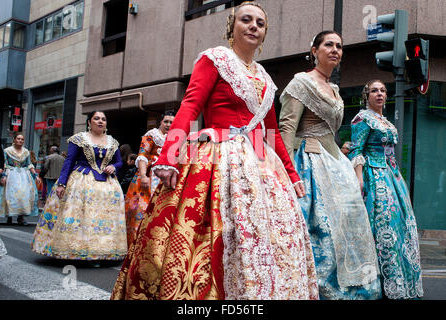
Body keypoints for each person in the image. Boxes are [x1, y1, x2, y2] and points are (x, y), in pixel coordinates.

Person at [111, 1, 318, 300]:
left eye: (260, 23)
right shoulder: (215, 59)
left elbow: (270, 135)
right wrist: (169, 155)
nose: (253, 26)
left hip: (259, 161)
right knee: (206, 236)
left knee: (266, 236)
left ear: (264, 34)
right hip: (215, 154)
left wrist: (291, 174)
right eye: (246, 20)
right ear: (232, 26)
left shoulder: (265, 79)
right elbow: (191, 105)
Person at [278, 31, 382, 300]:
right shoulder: (301, 82)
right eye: (328, 45)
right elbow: (287, 128)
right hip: (309, 163)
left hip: (336, 163)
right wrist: (285, 172)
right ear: (315, 50)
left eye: (339, 46)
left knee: (347, 228)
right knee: (320, 229)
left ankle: (348, 288)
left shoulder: (334, 89)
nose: (335, 49)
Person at [349, 80, 423, 299]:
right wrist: (360, 180)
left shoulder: (386, 122)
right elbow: (356, 151)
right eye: (374, 91)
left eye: (382, 90)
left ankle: (400, 281)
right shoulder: (363, 119)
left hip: (393, 177)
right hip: (375, 177)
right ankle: (377, 283)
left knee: (401, 226)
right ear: (367, 95)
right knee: (383, 226)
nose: (379, 94)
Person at [31, 111, 127, 266]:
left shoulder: (112, 142)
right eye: (96, 118)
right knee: (83, 216)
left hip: (108, 187)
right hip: (81, 182)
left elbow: (119, 162)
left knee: (103, 218)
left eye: (103, 119)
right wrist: (62, 183)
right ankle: (77, 250)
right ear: (89, 122)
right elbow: (69, 161)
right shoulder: (79, 139)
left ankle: (101, 252)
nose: (100, 121)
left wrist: (113, 166)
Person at [123, 110, 175, 248]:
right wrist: (144, 176)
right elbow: (142, 156)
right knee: (141, 210)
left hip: (167, 180)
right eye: (166, 121)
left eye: (171, 122)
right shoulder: (151, 135)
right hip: (149, 177)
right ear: (161, 122)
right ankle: (136, 245)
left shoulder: (175, 137)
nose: (169, 124)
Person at [0, 133, 41, 226]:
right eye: (18, 139)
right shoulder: (7, 151)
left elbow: (29, 164)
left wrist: (35, 175)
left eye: (22, 139)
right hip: (11, 174)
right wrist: (3, 175)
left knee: (24, 195)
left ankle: (21, 217)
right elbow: (3, 163)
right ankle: (9, 216)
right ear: (14, 140)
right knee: (10, 196)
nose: (20, 141)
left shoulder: (26, 152)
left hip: (24, 176)